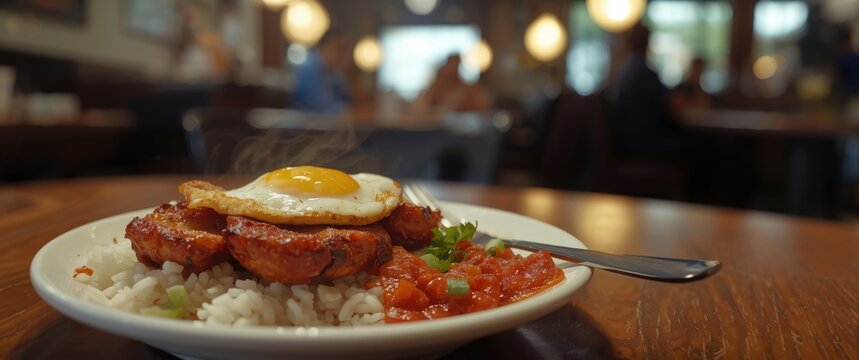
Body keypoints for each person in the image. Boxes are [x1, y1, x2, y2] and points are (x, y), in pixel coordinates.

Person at [610, 23, 687, 157]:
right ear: (648, 43)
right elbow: (673, 106)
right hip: (643, 142)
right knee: (699, 146)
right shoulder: (645, 72)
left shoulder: (627, 71)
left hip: (628, 141)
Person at [292, 29, 358, 113]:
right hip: (307, 124)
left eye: (344, 49)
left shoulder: (333, 72)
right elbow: (324, 108)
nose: (342, 54)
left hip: (323, 124)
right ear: (325, 46)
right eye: (339, 47)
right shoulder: (309, 69)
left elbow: (349, 101)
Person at [413, 55, 491, 112]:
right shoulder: (436, 88)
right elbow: (419, 108)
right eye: (450, 63)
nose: (453, 68)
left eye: (456, 64)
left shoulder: (471, 88)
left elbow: (484, 108)